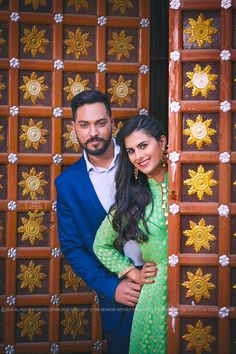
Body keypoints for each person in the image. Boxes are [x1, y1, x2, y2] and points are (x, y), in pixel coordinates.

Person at [55, 90, 141, 354]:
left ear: (112, 122)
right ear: (74, 128)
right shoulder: (67, 184)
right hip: (119, 296)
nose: (93, 132)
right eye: (84, 125)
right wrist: (111, 287)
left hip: (164, 281)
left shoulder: (139, 157)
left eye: (100, 123)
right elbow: (72, 248)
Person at [93, 115, 168, 354]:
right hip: (157, 296)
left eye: (143, 145)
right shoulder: (135, 199)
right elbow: (101, 244)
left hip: (202, 285)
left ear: (163, 142)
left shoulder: (192, 183)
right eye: (131, 151)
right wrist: (132, 272)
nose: (138, 156)